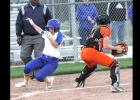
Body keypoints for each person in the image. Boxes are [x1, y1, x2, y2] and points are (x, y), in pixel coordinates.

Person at [74, 14, 124, 93]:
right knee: (115, 63)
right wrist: (116, 48)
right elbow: (106, 46)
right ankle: (115, 86)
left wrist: (112, 51)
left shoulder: (95, 29)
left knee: (92, 66)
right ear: (107, 22)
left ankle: (78, 81)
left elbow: (102, 49)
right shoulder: (105, 29)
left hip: (83, 52)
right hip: (91, 52)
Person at [15, 18, 63, 89]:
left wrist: (49, 37)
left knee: (39, 77)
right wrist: (32, 23)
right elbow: (39, 30)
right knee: (27, 67)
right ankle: (25, 83)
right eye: (49, 27)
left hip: (52, 61)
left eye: (51, 27)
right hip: (43, 58)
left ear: (55, 28)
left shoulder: (59, 35)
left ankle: (49, 81)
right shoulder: (48, 33)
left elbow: (56, 45)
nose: (49, 28)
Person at [16, 0, 52, 79]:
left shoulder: (44, 8)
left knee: (39, 56)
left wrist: (48, 34)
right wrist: (18, 35)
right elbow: (19, 23)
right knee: (24, 55)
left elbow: (49, 22)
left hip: (40, 36)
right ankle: (32, 71)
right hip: (26, 36)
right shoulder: (23, 8)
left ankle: (38, 74)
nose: (36, 0)